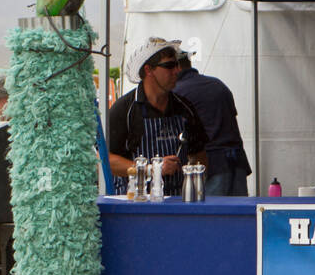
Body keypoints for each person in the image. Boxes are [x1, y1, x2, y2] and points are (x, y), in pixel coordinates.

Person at [108, 37, 208, 196]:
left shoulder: (184, 108)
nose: (177, 71)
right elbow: (106, 159)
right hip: (135, 202)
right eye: (169, 66)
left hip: (178, 201)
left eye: (177, 65)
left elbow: (199, 154)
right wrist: (152, 169)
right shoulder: (124, 109)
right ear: (148, 70)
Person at [173, 51, 252, 196]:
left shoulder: (178, 92)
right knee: (239, 216)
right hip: (237, 162)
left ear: (176, 67)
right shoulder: (218, 84)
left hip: (212, 164)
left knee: (211, 215)